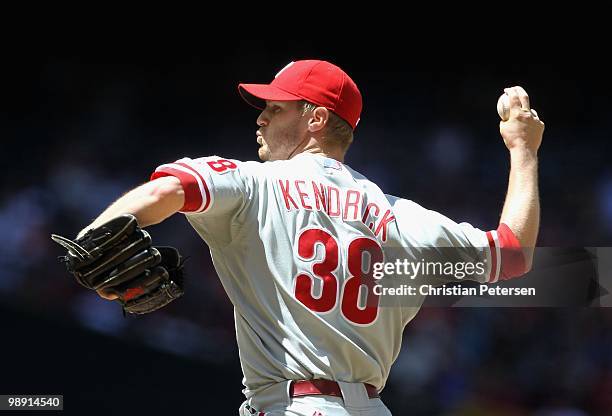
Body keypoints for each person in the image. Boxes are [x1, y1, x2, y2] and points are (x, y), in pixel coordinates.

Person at [80, 60, 545, 415]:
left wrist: (92, 241)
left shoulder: (254, 183)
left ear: (316, 119)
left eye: (275, 108)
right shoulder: (401, 216)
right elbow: (514, 253)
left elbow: (168, 190)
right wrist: (523, 150)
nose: (261, 118)